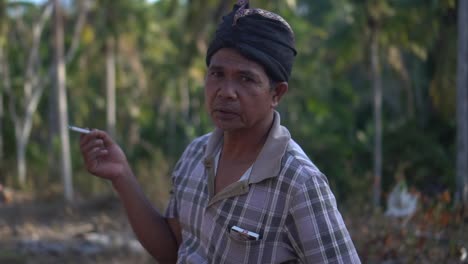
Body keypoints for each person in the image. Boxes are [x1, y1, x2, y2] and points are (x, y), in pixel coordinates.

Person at [79, 1, 361, 263]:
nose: (226, 92)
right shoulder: (196, 154)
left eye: (246, 79)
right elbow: (174, 250)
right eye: (217, 74)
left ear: (276, 93)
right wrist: (122, 175)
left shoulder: (298, 184)